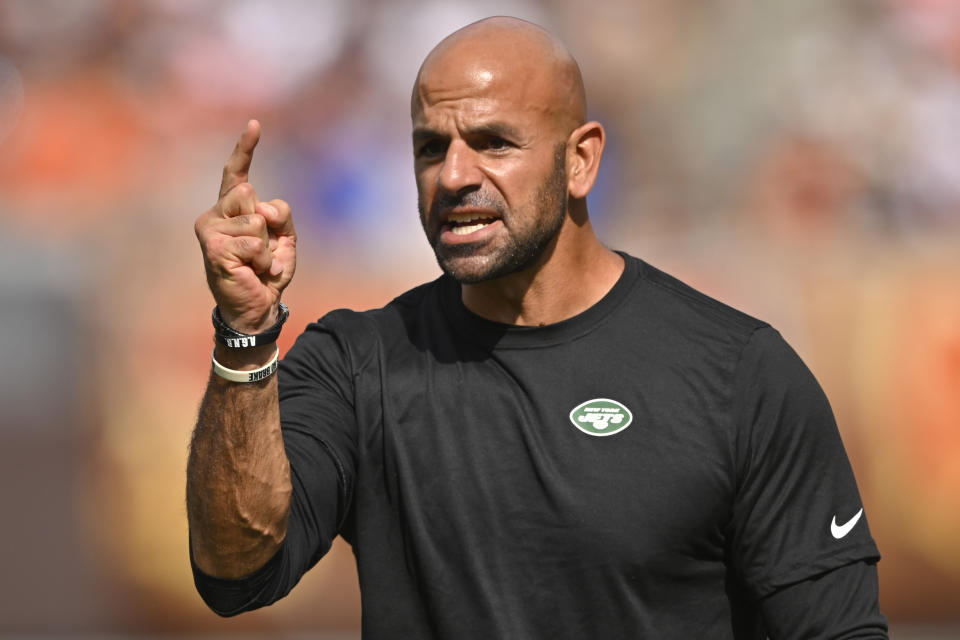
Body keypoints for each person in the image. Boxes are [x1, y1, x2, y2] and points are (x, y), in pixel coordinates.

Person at [188, 16, 887, 639]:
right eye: (431, 149)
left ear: (580, 159)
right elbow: (236, 570)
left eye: (493, 143)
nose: (454, 174)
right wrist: (245, 333)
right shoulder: (355, 363)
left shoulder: (739, 373)